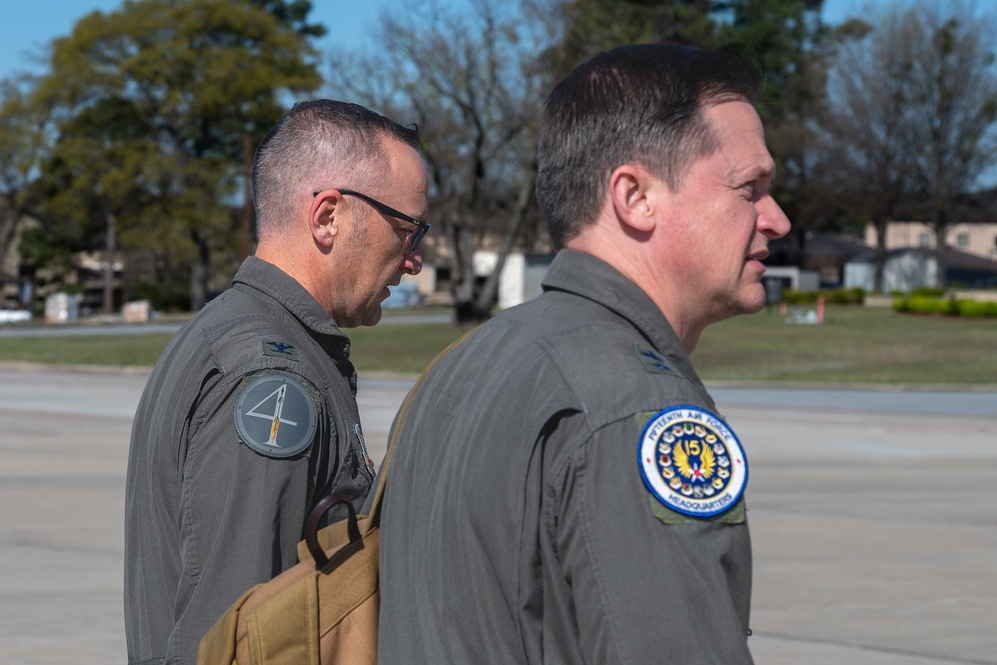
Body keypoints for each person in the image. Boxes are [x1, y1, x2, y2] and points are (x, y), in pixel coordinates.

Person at [377, 44, 790, 664]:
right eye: (748, 189)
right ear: (636, 197)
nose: (776, 219)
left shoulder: (466, 362)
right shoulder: (633, 407)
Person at [124, 99, 428, 665]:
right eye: (408, 230)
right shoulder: (271, 376)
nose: (414, 261)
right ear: (328, 217)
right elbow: (234, 635)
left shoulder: (234, 333)